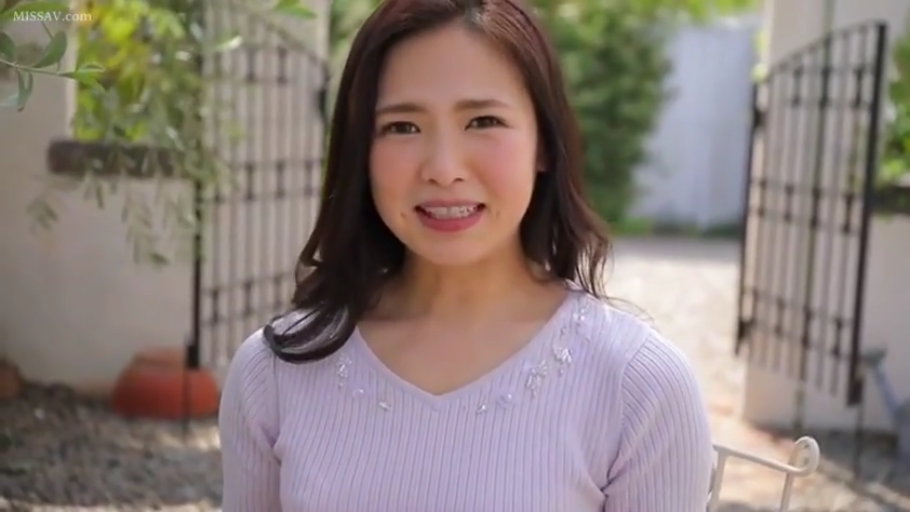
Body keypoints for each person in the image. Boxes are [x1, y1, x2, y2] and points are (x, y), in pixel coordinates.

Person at [218, 0, 714, 509]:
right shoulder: (275, 373)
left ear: (544, 143)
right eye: (402, 127)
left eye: (482, 121)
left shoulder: (638, 386)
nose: (443, 168)